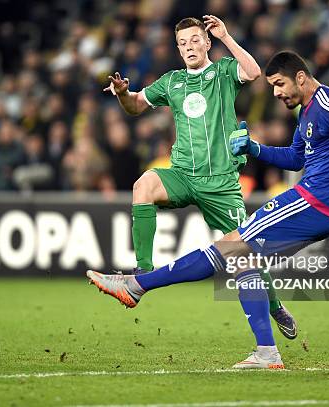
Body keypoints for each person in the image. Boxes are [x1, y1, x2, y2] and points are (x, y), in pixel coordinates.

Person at [87, 51, 329, 369]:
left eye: (280, 84)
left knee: (231, 246)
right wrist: (253, 148)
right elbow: (297, 157)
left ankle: (138, 285)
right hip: (320, 209)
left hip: (310, 202)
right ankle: (266, 351)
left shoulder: (328, 105)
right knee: (243, 258)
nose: (277, 93)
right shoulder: (308, 112)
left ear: (300, 77)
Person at [103, 15, 297, 339]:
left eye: (195, 40)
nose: (189, 47)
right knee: (144, 185)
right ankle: (142, 274)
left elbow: (252, 71)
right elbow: (135, 105)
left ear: (207, 42)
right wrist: (123, 94)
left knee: (244, 255)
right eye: (183, 43)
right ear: (178, 50)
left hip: (221, 183)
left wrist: (227, 37)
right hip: (183, 174)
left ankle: (275, 305)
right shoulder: (172, 82)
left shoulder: (222, 71)